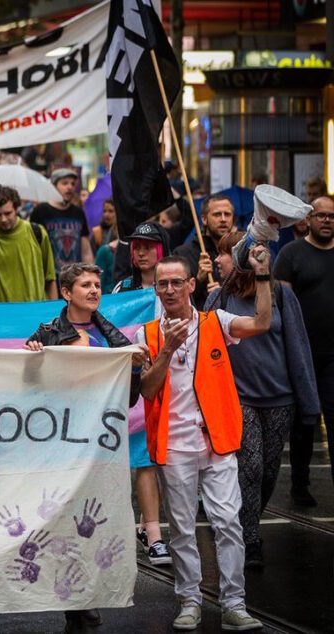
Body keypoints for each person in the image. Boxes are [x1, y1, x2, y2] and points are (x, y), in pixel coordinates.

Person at [137, 252, 272, 631]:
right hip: (175, 446)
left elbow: (262, 322)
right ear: (155, 288)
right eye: (162, 284)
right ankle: (190, 600)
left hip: (217, 442)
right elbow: (147, 391)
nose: (168, 290)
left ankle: (234, 604)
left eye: (176, 282)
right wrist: (165, 349)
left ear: (191, 285)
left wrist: (262, 274)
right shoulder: (145, 334)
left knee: (228, 522)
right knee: (181, 528)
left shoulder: (217, 322)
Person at [24, 263, 157, 630]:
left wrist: (131, 365)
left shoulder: (114, 338)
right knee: (62, 521)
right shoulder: (48, 333)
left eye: (97, 284)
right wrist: (32, 356)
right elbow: (28, 387)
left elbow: (129, 398)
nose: (95, 290)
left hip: (98, 445)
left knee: (92, 522)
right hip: (61, 444)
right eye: (86, 285)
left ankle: (83, 596)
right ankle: (69, 598)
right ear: (67, 293)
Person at [208, 232, 319, 566]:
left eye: (223, 255)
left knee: (270, 471)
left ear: (239, 260)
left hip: (280, 398)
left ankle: (248, 522)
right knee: (251, 468)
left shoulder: (281, 293)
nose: (217, 260)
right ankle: (250, 539)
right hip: (240, 398)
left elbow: (298, 347)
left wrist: (308, 403)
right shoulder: (219, 298)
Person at [274, 195, 334, 506]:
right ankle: (300, 483)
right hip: (302, 354)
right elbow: (282, 306)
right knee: (304, 422)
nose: (327, 220)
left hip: (333, 357)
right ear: (307, 220)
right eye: (321, 215)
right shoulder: (290, 254)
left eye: (331, 216)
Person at [0, 186, 57, 302]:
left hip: (36, 311)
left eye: (8, 213)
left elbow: (50, 277)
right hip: (1, 314)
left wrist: (54, 312)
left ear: (16, 208)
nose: (3, 219)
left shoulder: (37, 232)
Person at [174, 194, 235, 309]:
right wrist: (198, 280)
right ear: (204, 219)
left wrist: (223, 292)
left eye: (227, 214)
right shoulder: (183, 253)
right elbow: (176, 298)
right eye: (217, 214)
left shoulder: (239, 251)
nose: (223, 219)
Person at [29, 168, 94, 269]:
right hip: (49, 277)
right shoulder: (40, 211)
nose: (69, 187)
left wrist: (90, 273)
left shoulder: (78, 213)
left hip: (74, 278)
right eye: (65, 183)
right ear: (53, 186)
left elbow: (86, 250)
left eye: (72, 184)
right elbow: (32, 248)